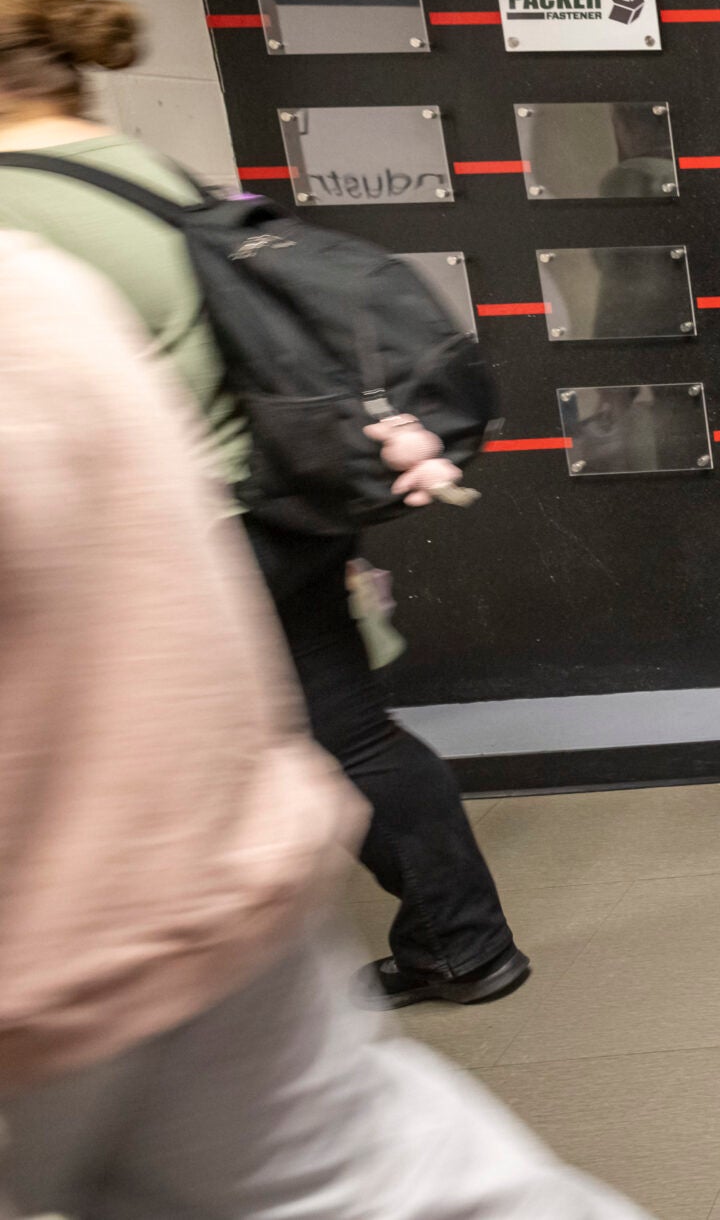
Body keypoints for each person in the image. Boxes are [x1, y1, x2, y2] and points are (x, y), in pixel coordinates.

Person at [0, 231, 652, 1217]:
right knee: (386, 1180)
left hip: (70, 913)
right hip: (200, 865)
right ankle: (465, 942)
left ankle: (461, 942)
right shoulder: (45, 276)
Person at [0, 0, 527, 1008]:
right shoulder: (148, 175)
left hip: (159, 538)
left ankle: (179, 993)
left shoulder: (14, 207)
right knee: (354, 733)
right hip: (274, 504)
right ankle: (461, 943)